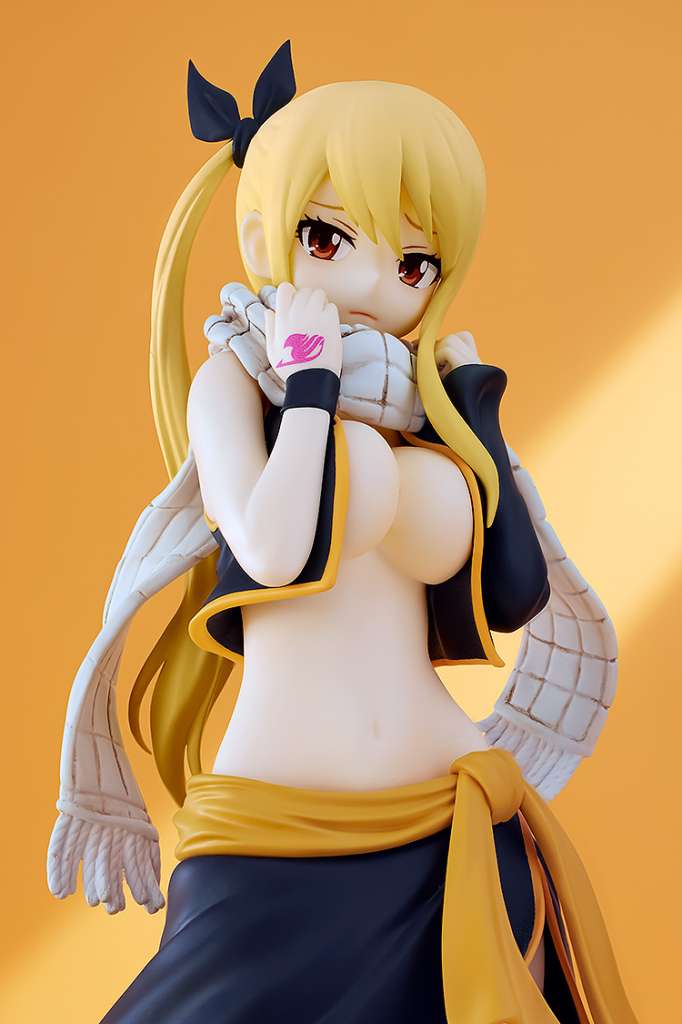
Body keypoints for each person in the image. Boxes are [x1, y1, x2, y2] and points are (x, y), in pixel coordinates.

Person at [47, 40, 638, 1023]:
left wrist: (476, 418)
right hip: (276, 843)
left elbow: (512, 593)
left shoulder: (424, 401)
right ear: (262, 232)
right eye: (328, 238)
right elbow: (273, 547)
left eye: (413, 261)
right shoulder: (238, 383)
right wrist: (312, 387)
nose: (373, 281)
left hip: (453, 830)